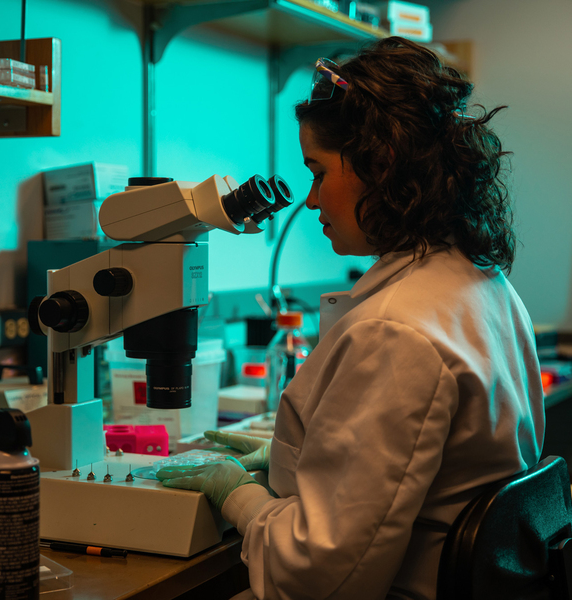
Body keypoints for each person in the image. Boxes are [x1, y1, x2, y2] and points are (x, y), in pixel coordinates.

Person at [157, 36, 544, 600]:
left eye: (317, 172)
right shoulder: (482, 283)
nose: (310, 200)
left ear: (378, 165)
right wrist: (292, 458)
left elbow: (320, 574)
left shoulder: (394, 333)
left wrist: (237, 494)